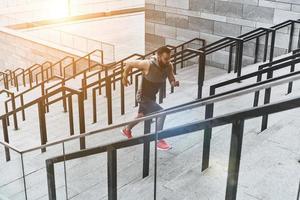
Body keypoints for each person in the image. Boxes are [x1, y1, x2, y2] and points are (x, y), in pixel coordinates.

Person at [121, 46, 179, 150]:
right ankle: (159, 139)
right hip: (143, 96)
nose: (167, 61)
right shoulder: (148, 64)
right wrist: (124, 77)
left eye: (169, 58)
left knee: (142, 115)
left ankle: (127, 129)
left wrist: (173, 83)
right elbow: (129, 63)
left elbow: (171, 77)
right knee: (162, 112)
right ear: (158, 56)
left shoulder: (169, 65)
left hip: (152, 96)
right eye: (165, 59)